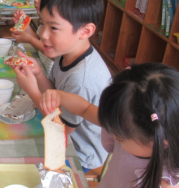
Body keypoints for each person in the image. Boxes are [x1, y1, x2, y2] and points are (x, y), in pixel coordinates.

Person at [12, 0, 109, 172]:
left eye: (53, 28)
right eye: (42, 25)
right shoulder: (65, 50)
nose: (44, 35)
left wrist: (32, 89)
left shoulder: (82, 79)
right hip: (66, 132)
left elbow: (60, 130)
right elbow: (54, 94)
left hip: (80, 153)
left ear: (86, 31)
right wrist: (38, 72)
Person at [40, 63, 179, 188]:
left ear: (156, 142)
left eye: (119, 136)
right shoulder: (128, 122)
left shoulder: (163, 182)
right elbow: (85, 108)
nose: (112, 133)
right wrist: (59, 96)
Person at [12, 0, 77, 76]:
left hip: (50, 76)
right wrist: (25, 26)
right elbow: (41, 40)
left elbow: (55, 55)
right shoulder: (47, 19)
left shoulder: (64, 25)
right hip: (42, 69)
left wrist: (29, 39)